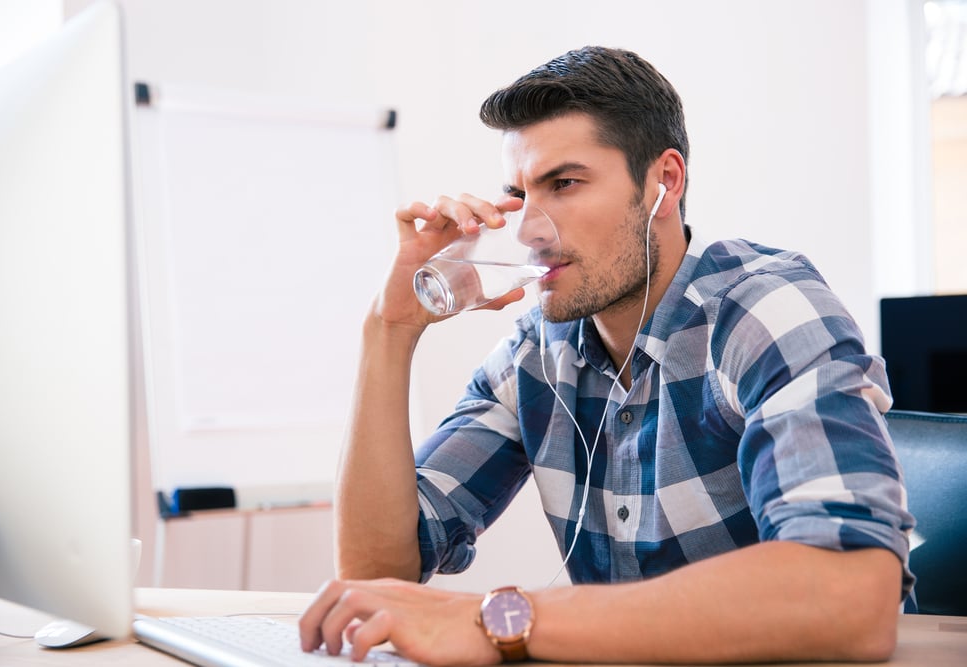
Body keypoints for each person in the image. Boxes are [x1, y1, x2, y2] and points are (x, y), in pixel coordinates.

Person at [299, 46, 915, 665]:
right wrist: (390, 327)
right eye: (520, 194)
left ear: (663, 183)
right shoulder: (538, 354)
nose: (529, 232)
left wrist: (499, 622)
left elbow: (852, 597)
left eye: (564, 184)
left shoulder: (762, 311)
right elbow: (379, 572)